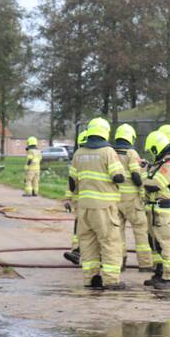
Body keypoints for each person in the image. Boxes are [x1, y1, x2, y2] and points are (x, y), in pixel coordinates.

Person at [69, 118, 126, 290]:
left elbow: (72, 182)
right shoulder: (108, 152)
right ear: (105, 132)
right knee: (110, 243)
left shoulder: (78, 153)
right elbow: (118, 176)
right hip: (104, 207)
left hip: (84, 207)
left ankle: (90, 278)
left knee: (87, 243)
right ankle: (111, 281)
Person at [143, 130, 170, 290]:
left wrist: (139, 177)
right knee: (156, 245)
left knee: (166, 245)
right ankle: (160, 273)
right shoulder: (161, 164)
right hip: (155, 212)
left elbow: (155, 184)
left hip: (163, 213)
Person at [112, 124, 153, 272]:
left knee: (117, 232)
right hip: (132, 201)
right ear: (131, 137)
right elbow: (136, 176)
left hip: (115, 199)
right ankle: (145, 264)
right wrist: (143, 179)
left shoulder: (111, 152)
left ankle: (120, 262)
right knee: (141, 232)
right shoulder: (131, 153)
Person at [63, 130, 89, 265]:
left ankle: (79, 252)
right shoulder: (103, 153)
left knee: (82, 227)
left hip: (84, 200)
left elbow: (71, 180)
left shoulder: (78, 156)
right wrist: (67, 198)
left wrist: (68, 198)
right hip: (87, 201)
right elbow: (72, 180)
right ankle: (77, 252)